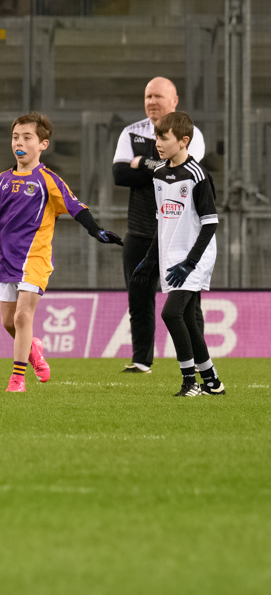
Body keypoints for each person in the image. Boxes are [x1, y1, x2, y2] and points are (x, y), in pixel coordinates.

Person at [0, 113, 123, 393]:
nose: (19, 142)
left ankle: (17, 379)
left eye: (27, 137)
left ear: (43, 144)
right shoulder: (3, 180)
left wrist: (96, 231)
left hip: (35, 259)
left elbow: (76, 208)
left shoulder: (48, 180)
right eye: (15, 137)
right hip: (4, 259)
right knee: (9, 322)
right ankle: (33, 348)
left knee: (23, 318)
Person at [113, 77, 206, 374]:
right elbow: (119, 175)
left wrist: (141, 163)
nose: (152, 101)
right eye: (147, 96)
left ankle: (199, 362)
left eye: (158, 96)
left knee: (188, 305)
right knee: (138, 297)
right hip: (140, 232)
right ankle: (141, 360)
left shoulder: (192, 133)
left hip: (179, 236)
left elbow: (183, 173)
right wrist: (155, 168)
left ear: (174, 100)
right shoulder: (131, 132)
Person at [132, 112, 224, 397]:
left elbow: (210, 223)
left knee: (171, 313)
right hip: (172, 258)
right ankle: (212, 381)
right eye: (156, 137)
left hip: (195, 256)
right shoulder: (159, 174)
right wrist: (150, 259)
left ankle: (189, 382)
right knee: (184, 318)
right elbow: (163, 222)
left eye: (164, 138)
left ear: (184, 141)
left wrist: (191, 262)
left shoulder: (197, 175)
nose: (157, 143)